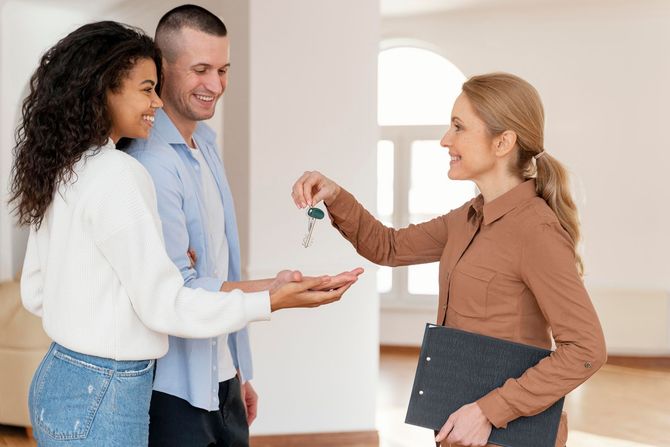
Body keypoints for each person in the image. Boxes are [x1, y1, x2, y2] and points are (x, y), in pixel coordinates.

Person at [9, 21, 358, 447]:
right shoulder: (121, 173)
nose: (155, 101)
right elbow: (165, 307)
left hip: (59, 376)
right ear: (104, 90)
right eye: (145, 88)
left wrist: (117, 292)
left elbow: (36, 293)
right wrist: (271, 299)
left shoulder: (65, 168)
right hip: (106, 390)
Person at [292, 72, 607, 447]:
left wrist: (489, 411)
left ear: (503, 142)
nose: (445, 140)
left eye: (459, 127)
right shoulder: (467, 217)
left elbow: (586, 350)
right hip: (458, 426)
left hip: (507, 433)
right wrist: (335, 194)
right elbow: (388, 247)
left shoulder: (536, 231)